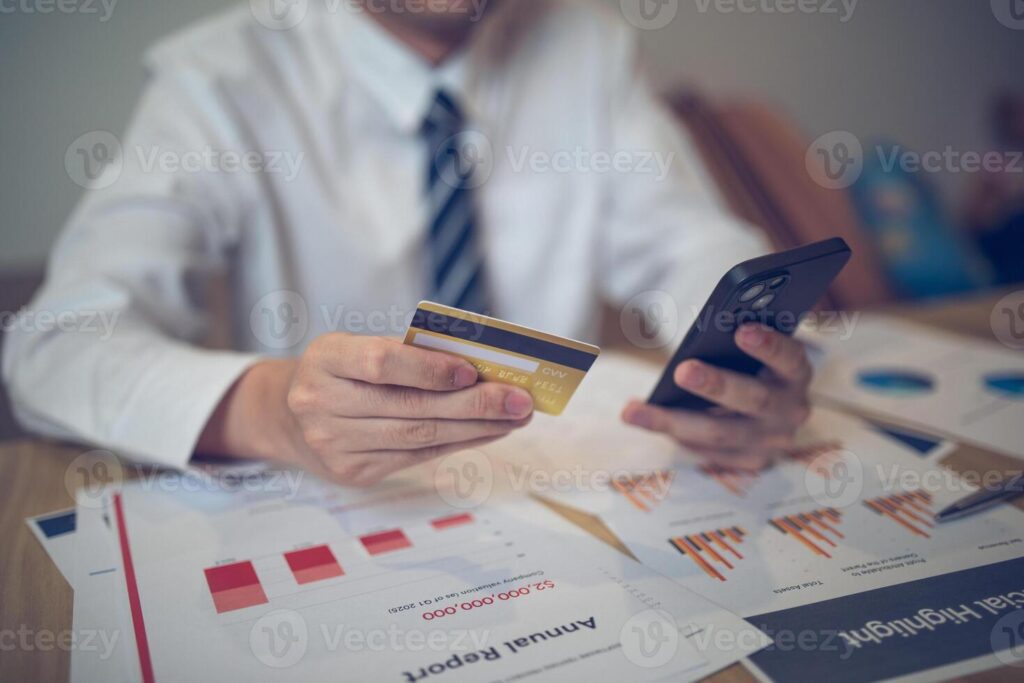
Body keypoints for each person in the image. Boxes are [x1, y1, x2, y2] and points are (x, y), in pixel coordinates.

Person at [2, 0, 813, 487]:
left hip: (554, 499)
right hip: (333, 519)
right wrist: (272, 410)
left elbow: (691, 247)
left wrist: (748, 365)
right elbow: (55, 350)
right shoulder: (216, 78)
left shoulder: (589, 44)